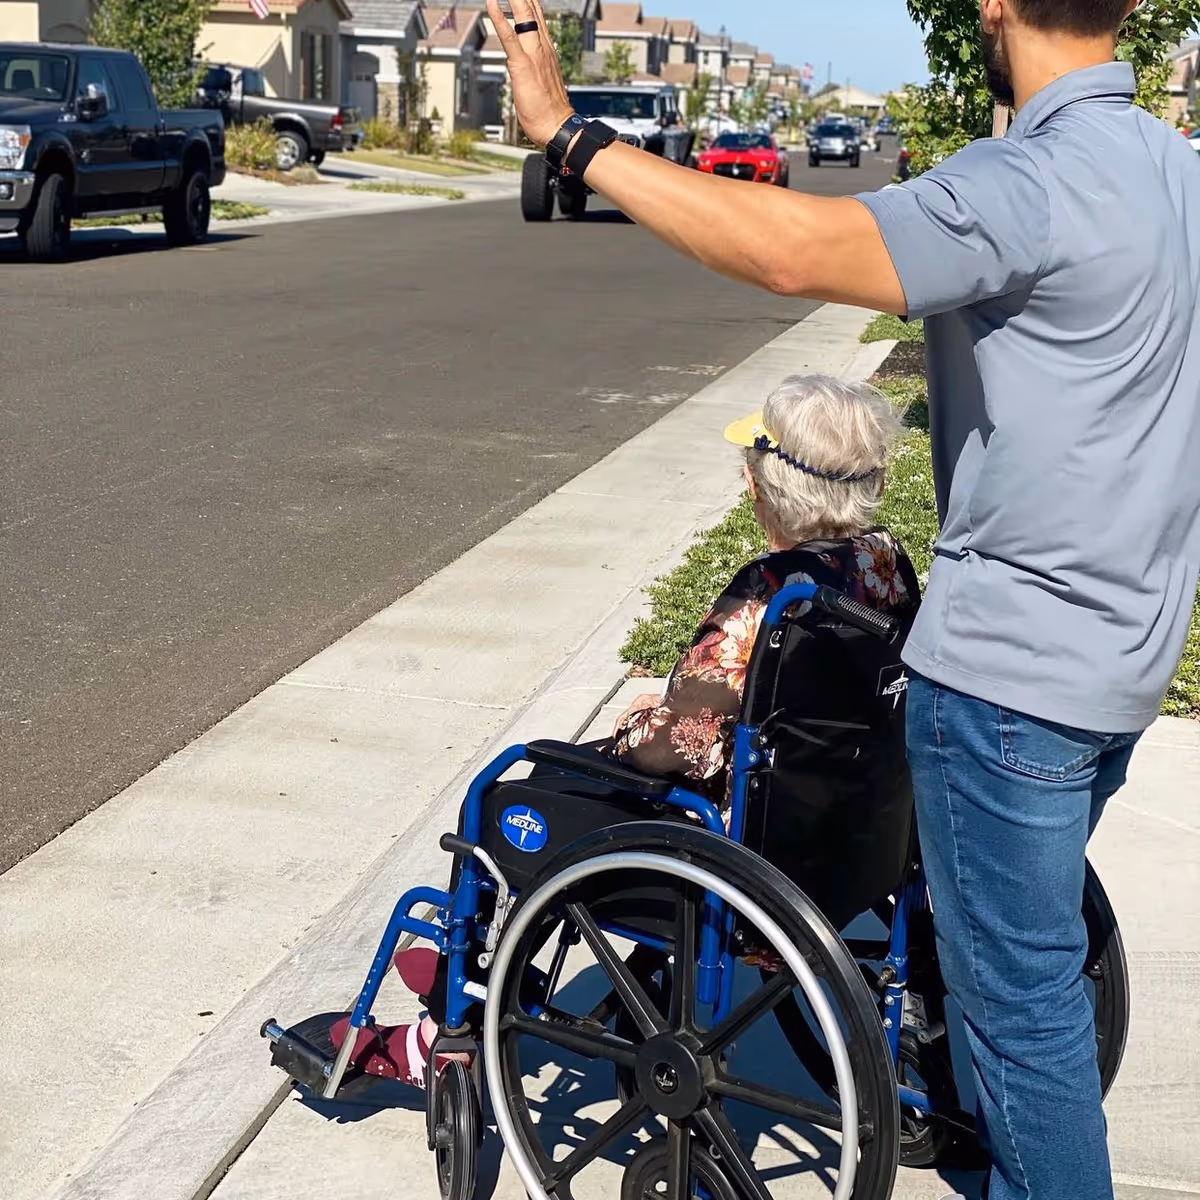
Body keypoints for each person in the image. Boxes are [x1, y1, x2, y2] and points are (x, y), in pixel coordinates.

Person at [485, 2, 1200, 1198]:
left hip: (1013, 682)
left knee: (1026, 1022)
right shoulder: (1175, 174)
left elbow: (784, 246)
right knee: (1011, 974)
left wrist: (569, 134)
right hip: (1123, 658)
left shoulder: (1028, 185)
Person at [330, 373, 920, 1088]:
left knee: (512, 793)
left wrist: (638, 718)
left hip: (734, 841)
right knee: (564, 777)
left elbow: (672, 746)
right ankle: (493, 984)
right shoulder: (885, 564)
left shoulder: (773, 594)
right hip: (847, 828)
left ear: (767, 485)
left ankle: (451, 1021)